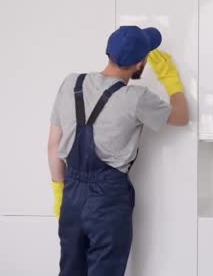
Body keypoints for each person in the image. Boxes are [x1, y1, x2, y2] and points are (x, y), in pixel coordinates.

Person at [47, 26, 188, 275]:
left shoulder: (71, 83)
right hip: (107, 200)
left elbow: (53, 145)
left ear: (108, 52)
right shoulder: (136, 97)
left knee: (70, 270)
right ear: (139, 63)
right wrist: (171, 80)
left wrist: (60, 193)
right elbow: (181, 116)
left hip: (72, 195)